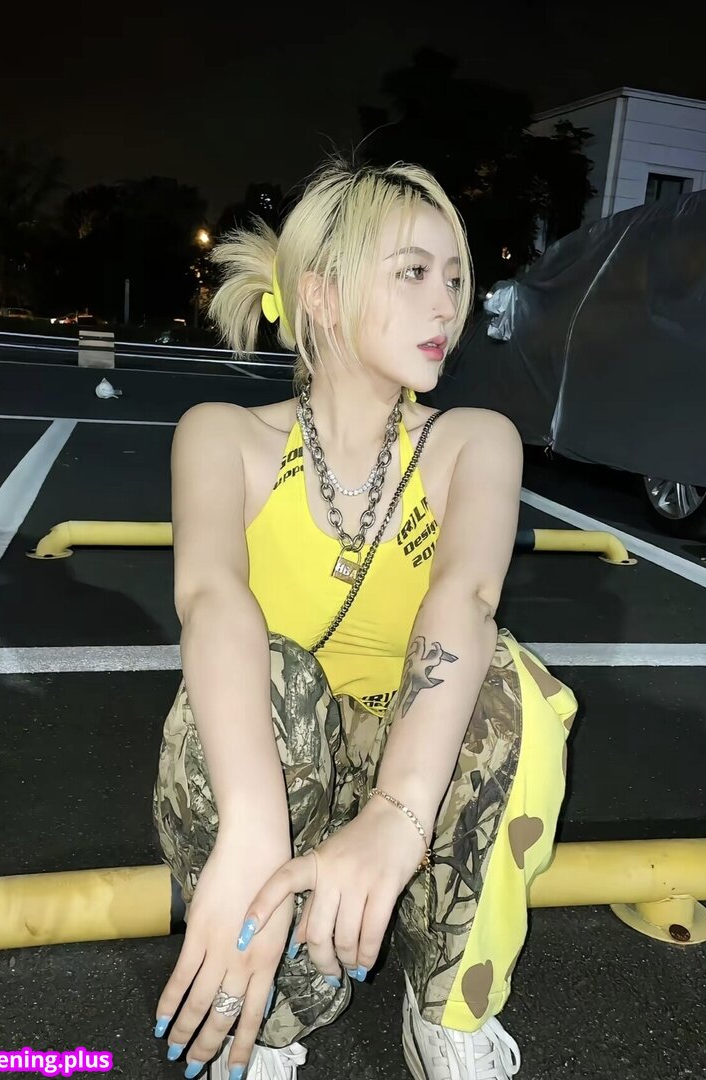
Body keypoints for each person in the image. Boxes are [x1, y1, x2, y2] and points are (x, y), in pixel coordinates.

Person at [151, 156, 577, 1080]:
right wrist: (254, 822)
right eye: (414, 271)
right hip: (282, 773)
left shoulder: (474, 442)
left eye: (455, 277)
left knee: (515, 686)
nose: (447, 304)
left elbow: (465, 600)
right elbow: (211, 601)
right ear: (322, 295)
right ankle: (262, 1016)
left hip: (416, 775)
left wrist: (396, 811)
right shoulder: (223, 435)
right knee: (264, 670)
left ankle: (448, 1007)